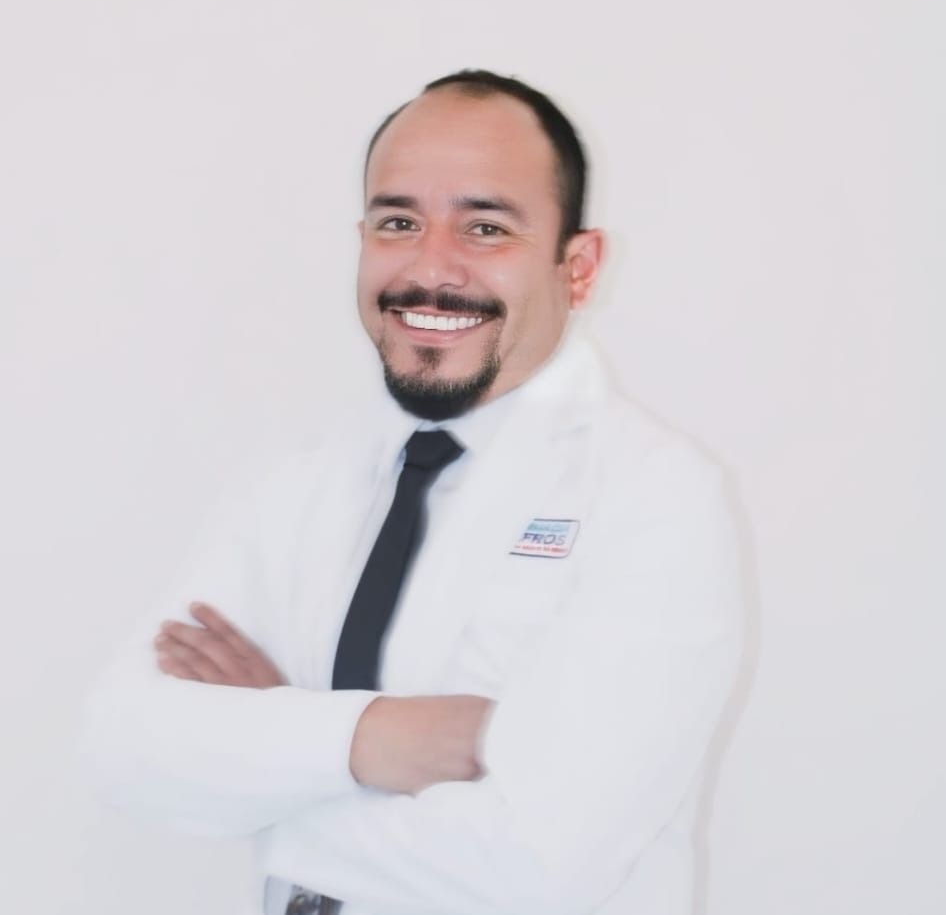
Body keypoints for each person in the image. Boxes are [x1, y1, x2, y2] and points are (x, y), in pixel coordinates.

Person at [82, 69, 744, 915]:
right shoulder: (295, 475)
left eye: (486, 227)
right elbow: (120, 744)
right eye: (399, 222)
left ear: (577, 269)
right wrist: (373, 738)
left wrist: (265, 757)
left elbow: (531, 866)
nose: (431, 267)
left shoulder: (656, 498)